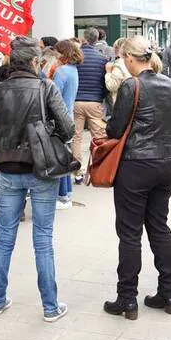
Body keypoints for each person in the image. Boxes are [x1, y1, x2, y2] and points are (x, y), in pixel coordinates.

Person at [0, 36, 75, 322]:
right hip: (41, 169)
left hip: (7, 170)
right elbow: (68, 128)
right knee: (43, 239)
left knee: (4, 238)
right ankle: (50, 306)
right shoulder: (45, 87)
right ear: (35, 61)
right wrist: (48, 133)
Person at [101, 36, 171, 319]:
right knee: (159, 227)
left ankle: (127, 299)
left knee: (130, 233)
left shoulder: (130, 86)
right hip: (165, 161)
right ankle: (169, 293)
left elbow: (115, 129)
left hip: (135, 164)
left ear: (130, 59)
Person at [73, 27, 109, 183]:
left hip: (76, 101)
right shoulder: (102, 59)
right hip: (95, 102)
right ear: (97, 39)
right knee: (98, 137)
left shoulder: (76, 58)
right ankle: (99, 169)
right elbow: (105, 83)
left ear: (84, 38)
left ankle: (78, 171)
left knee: (76, 136)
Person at [52, 40, 82, 210]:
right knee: (65, 156)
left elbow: (54, 97)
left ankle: (62, 196)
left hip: (59, 118)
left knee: (60, 158)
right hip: (68, 116)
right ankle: (66, 194)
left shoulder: (61, 71)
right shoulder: (73, 70)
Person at [105, 37, 131, 103]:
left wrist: (108, 72)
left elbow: (112, 86)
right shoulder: (134, 61)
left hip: (121, 102)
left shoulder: (119, 64)